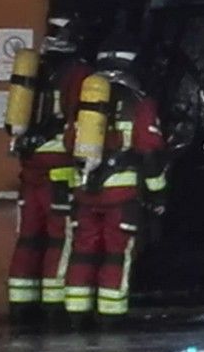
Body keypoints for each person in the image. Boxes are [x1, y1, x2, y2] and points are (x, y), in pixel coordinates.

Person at [62, 42, 169, 330]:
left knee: (82, 251)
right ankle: (111, 317)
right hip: (121, 196)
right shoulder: (139, 101)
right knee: (116, 254)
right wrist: (158, 193)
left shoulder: (85, 99)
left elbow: (69, 142)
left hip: (85, 192)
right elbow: (149, 152)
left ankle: (75, 314)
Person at [4, 16, 93, 331]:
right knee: (60, 238)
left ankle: (20, 305)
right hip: (60, 171)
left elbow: (16, 121)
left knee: (28, 237)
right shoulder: (80, 75)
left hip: (31, 169)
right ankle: (54, 309)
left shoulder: (34, 69)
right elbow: (79, 123)